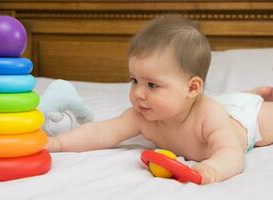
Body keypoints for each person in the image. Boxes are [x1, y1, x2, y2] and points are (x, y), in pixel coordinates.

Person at [45, 15, 273, 184]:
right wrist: (57, 143)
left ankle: (252, 97)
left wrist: (211, 169)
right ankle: (250, 92)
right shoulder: (142, 115)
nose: (138, 93)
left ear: (192, 87)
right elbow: (102, 132)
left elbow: (232, 153)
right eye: (134, 80)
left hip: (244, 118)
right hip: (221, 104)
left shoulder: (210, 116)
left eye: (152, 85)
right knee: (227, 102)